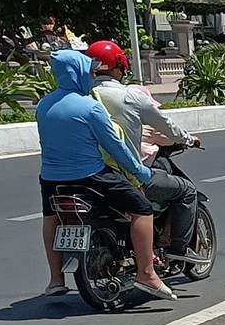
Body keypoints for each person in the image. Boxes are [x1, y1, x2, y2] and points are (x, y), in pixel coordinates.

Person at [36, 47, 172, 301]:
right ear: (77, 73)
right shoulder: (90, 108)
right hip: (90, 177)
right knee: (142, 208)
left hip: (51, 180)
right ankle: (147, 274)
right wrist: (139, 171)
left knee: (51, 218)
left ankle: (56, 279)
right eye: (88, 71)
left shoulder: (44, 105)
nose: (91, 75)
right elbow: (115, 146)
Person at [85, 40, 200, 267]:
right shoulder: (130, 96)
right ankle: (178, 248)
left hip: (85, 176)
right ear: (120, 66)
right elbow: (166, 125)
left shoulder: (83, 97)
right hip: (126, 174)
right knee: (186, 191)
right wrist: (189, 139)